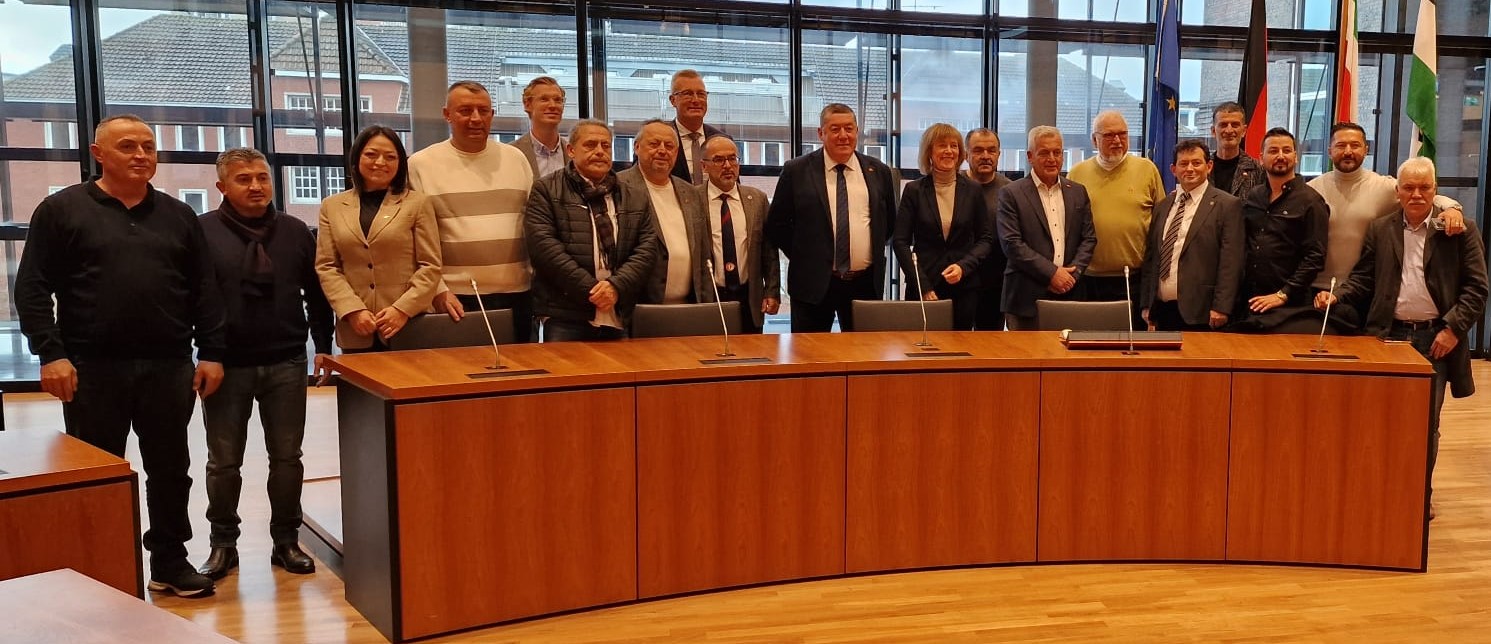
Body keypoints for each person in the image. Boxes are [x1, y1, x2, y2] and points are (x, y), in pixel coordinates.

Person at [15, 114, 225, 598]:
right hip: (91, 370)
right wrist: (51, 354)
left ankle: (170, 561)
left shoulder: (178, 216)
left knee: (170, 471)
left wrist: (212, 352)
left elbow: (205, 291)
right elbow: (32, 289)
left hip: (168, 367)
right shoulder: (61, 210)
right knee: (98, 473)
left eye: (148, 146)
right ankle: (99, 565)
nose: (141, 155)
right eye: (127, 146)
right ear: (98, 154)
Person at [1314, 157, 1487, 519]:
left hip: (1436, 340)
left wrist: (1453, 330)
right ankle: (1382, 490)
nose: (1416, 194)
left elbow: (1476, 288)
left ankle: (1418, 496)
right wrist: (1337, 295)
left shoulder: (1459, 230)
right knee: (1381, 421)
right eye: (1409, 187)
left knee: (1425, 426)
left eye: (1424, 187)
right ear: (1398, 192)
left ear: (1435, 190)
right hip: (1387, 337)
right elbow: (1364, 277)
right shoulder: (1381, 229)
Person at [197, 148, 333, 579]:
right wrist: (203, 354)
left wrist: (323, 345)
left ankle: (286, 541)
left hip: (286, 361)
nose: (256, 186)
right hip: (225, 366)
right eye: (243, 179)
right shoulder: (202, 232)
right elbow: (194, 299)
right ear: (222, 186)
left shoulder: (294, 231)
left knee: (287, 458)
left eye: (262, 177)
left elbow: (317, 295)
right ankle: (223, 545)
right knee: (223, 463)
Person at [409, 81, 536, 342]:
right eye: (465, 111)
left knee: (520, 367)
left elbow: (536, 225)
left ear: (492, 115)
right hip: (454, 298)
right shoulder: (421, 164)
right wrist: (437, 290)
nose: (476, 118)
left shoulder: (516, 159)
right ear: (447, 115)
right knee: (460, 368)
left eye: (483, 110)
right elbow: (412, 240)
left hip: (518, 294)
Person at [1307, 122, 1465, 328]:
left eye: (1355, 145)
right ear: (1329, 151)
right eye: (1340, 145)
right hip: (1317, 289)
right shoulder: (1312, 189)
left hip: (1365, 290)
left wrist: (1452, 208)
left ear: (1366, 149)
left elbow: (1421, 195)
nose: (1348, 151)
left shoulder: (1383, 186)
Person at [525, 119, 661, 341]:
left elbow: (646, 249)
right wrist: (594, 291)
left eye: (605, 146)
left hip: (617, 310)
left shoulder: (633, 196)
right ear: (571, 150)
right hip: (566, 315)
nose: (599, 151)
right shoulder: (547, 190)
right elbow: (545, 249)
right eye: (590, 145)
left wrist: (615, 287)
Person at [766, 104, 896, 332]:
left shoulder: (879, 171)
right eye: (835, 129)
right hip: (812, 284)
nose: (843, 135)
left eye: (849, 128)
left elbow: (888, 224)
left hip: (864, 285)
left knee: (864, 351)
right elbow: (777, 225)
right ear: (821, 133)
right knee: (809, 351)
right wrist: (806, 256)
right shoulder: (796, 171)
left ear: (857, 131)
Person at [315, 125, 443, 351]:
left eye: (390, 157)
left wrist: (402, 309)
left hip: (408, 325)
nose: (380, 162)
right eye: (371, 154)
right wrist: (352, 310)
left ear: (400, 163)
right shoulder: (331, 206)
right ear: (357, 158)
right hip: (356, 328)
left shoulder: (417, 203)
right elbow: (327, 266)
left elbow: (430, 266)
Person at [892, 123, 995, 330]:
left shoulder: (973, 190)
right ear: (929, 152)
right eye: (942, 145)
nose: (949, 151)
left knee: (960, 344)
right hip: (924, 285)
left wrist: (963, 267)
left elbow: (985, 239)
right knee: (921, 344)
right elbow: (900, 242)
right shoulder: (914, 190)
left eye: (954, 146)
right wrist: (923, 285)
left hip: (964, 285)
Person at [1067, 110, 1164, 326]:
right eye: (1109, 135)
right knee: (1089, 342)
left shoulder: (1147, 169)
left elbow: (1161, 224)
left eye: (1123, 134)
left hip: (1133, 280)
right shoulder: (1077, 173)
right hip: (1087, 280)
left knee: (1130, 343)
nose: (1118, 141)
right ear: (1094, 140)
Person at [997, 126, 1097, 331]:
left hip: (1071, 294)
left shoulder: (1078, 192)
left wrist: (1072, 275)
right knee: (1025, 352)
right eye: (1044, 153)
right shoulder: (1011, 193)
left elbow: (1089, 239)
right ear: (1030, 156)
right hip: (1025, 298)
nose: (1052, 159)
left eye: (1057, 152)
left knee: (1068, 352)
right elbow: (1012, 244)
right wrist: (1052, 274)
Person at [1138, 140, 1244, 332]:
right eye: (1183, 163)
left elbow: (1231, 262)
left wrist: (1222, 307)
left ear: (1209, 166)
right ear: (1173, 169)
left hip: (1203, 311)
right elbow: (1151, 258)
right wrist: (1147, 303)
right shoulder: (1163, 206)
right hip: (1162, 309)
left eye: (1196, 163)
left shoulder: (1227, 205)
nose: (1190, 169)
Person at [1234, 127, 1329, 333]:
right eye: (1273, 151)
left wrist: (1283, 294)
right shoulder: (1254, 196)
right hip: (1249, 301)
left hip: (1289, 305)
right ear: (1261, 158)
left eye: (1286, 150)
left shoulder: (1311, 201)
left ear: (1296, 157)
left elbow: (1315, 257)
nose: (1280, 156)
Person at [617, 119, 713, 305]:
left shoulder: (690, 192)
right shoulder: (618, 187)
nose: (662, 150)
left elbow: (703, 254)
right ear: (637, 147)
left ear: (676, 153)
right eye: (654, 144)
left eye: (669, 146)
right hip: (637, 306)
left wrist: (707, 305)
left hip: (688, 306)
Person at [699, 135, 780, 333]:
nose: (727, 165)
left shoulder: (757, 199)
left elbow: (769, 250)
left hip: (748, 296)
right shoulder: (693, 199)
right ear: (704, 166)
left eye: (732, 158)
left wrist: (772, 291)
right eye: (719, 160)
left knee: (751, 349)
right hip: (709, 296)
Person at [964, 127, 1012, 330]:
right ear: (966, 155)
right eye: (978, 150)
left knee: (991, 342)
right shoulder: (954, 187)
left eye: (991, 150)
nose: (985, 156)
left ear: (999, 154)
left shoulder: (1010, 191)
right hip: (959, 280)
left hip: (995, 284)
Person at [668, 69, 724, 185]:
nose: (696, 100)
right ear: (673, 100)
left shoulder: (722, 140)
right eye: (688, 94)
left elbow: (732, 186)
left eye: (701, 94)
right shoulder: (658, 139)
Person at [511, 76, 569, 180]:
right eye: (544, 99)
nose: (553, 105)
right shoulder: (512, 153)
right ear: (527, 105)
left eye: (557, 100)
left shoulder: (575, 153)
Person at [1209, 102, 1264, 199]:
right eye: (1223, 125)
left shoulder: (1258, 171)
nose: (1229, 130)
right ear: (1213, 131)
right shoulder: (1201, 169)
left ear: (1244, 131)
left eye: (1235, 125)